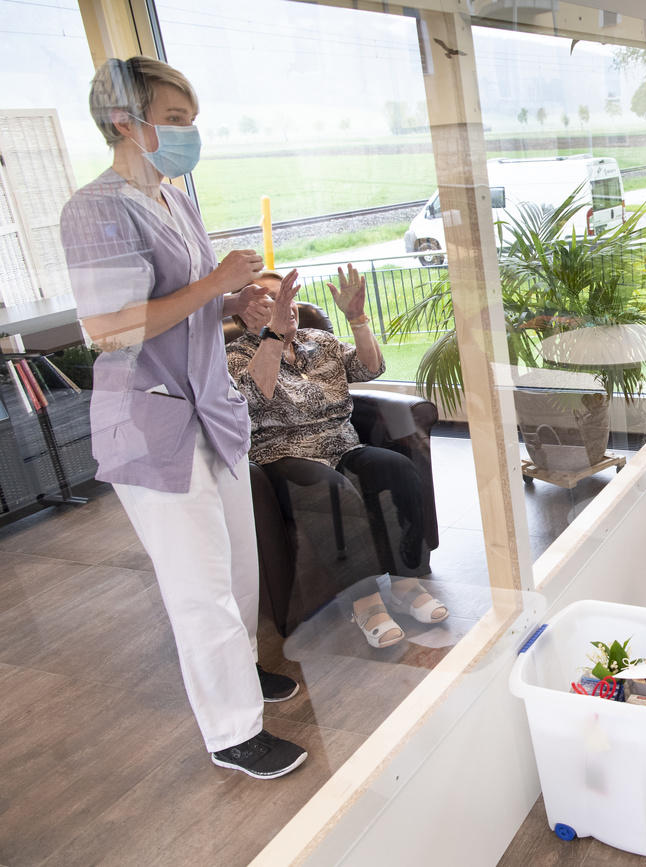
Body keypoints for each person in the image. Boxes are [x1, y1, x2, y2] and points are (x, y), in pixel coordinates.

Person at [59, 56, 307, 779]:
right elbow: (107, 329)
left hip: (208, 407)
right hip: (149, 421)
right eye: (174, 121)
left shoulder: (175, 199)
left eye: (190, 121)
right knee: (197, 584)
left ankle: (241, 674)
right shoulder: (95, 210)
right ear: (122, 121)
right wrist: (213, 283)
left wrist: (233, 305)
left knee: (236, 563)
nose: (187, 134)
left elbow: (187, 304)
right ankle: (232, 730)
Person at [226, 266, 448, 649]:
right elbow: (253, 398)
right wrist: (274, 335)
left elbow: (371, 367)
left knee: (396, 468)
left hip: (342, 444)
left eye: (288, 297)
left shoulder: (319, 340)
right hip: (282, 455)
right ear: (241, 312)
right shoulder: (233, 356)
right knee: (332, 491)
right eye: (272, 300)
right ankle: (364, 604)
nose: (286, 306)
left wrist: (357, 319)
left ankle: (407, 581)